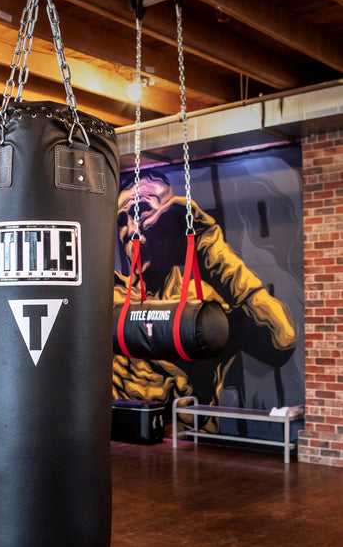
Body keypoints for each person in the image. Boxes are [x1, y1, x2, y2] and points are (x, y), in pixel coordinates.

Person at [113, 169, 298, 432]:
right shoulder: (107, 295)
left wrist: (208, 247)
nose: (131, 229)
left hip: (188, 443)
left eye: (142, 211)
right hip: (124, 441)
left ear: (172, 217)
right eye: (122, 219)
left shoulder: (203, 303)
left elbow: (281, 340)